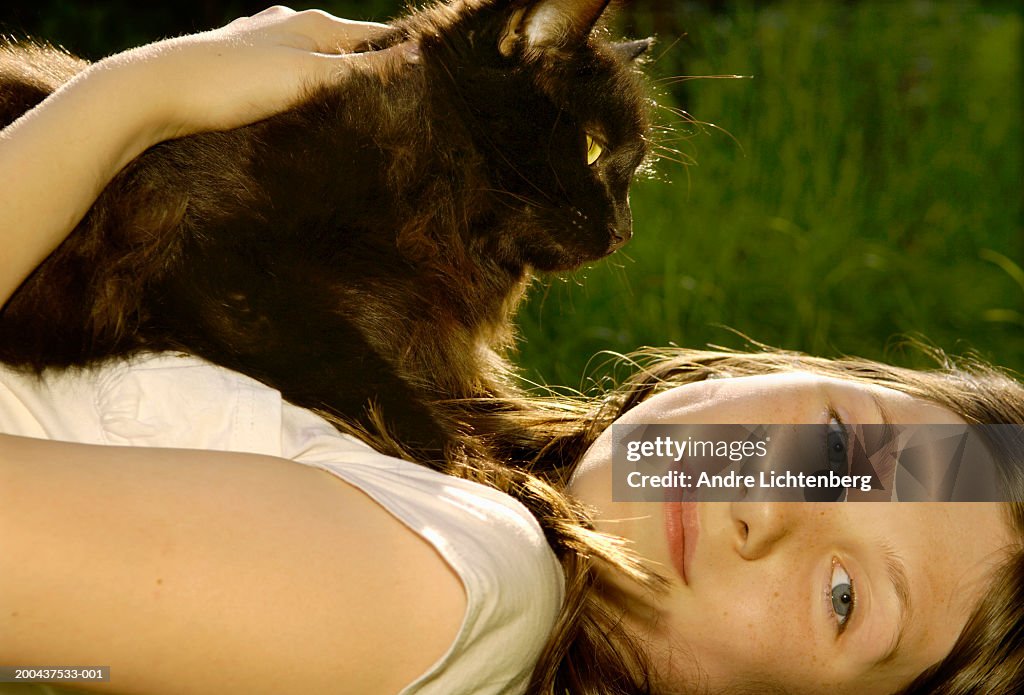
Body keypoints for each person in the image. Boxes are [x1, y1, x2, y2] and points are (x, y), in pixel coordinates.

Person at [0, 8, 1021, 695]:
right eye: (841, 444)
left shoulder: (461, 589)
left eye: (844, 596)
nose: (766, 503)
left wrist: (128, 102)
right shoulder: (435, 430)